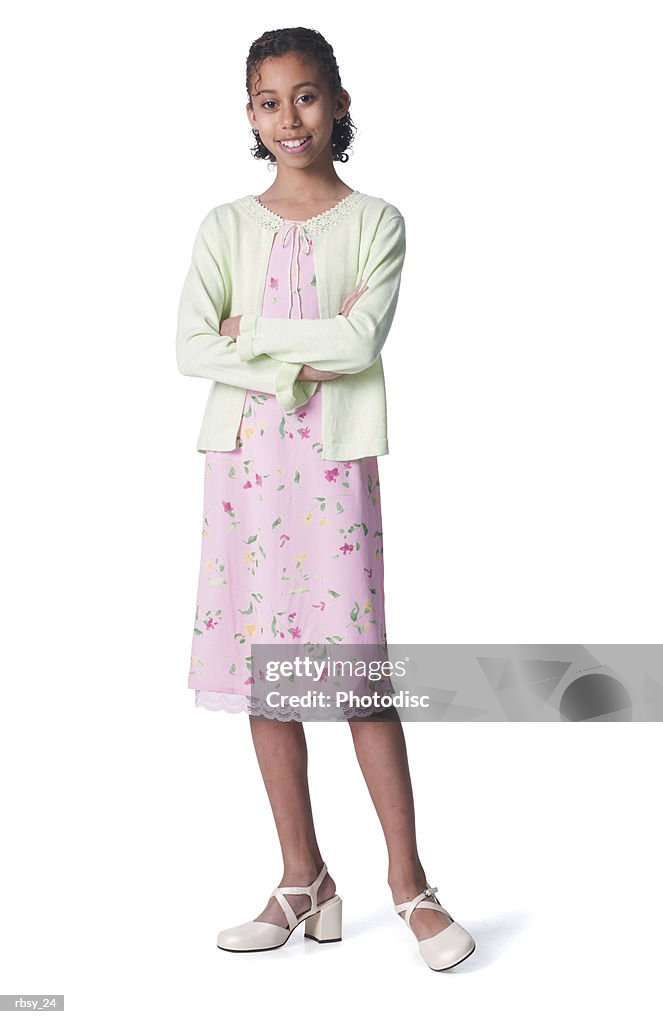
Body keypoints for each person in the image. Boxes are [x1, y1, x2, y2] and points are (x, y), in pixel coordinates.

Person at [175, 26, 476, 971]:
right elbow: (191, 347)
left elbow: (359, 342)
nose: (287, 117)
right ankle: (301, 878)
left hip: (333, 467)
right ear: (250, 115)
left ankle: (410, 885)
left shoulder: (375, 222)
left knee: (354, 675)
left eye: (305, 97)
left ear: (337, 103)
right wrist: (293, 348)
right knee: (269, 675)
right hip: (246, 475)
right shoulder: (225, 226)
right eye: (268, 101)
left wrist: (252, 334)